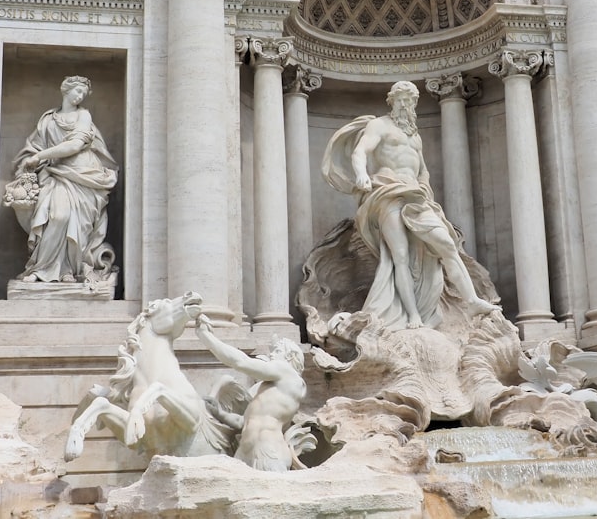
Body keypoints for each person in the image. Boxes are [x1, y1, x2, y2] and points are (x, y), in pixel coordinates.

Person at [322, 81, 498, 330]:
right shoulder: (379, 125)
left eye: (410, 100)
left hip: (416, 196)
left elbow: (422, 169)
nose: (405, 105)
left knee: (446, 244)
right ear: (391, 101)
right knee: (400, 256)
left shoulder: (413, 135)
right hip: (388, 192)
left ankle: (471, 299)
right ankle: (412, 315)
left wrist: (426, 191)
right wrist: (361, 174)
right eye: (401, 100)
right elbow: (360, 151)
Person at [8, 76, 119, 283]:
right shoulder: (48, 120)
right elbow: (34, 147)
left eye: (84, 94)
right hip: (55, 174)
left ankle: (69, 270)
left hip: (84, 176)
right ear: (65, 91)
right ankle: (40, 269)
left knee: (76, 223)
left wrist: (40, 157)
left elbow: (74, 146)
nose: (80, 96)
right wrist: (30, 161)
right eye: (77, 91)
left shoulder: (83, 115)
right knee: (58, 216)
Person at [194, 316, 307, 472]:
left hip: (268, 452)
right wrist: (220, 413)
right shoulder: (267, 389)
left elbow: (241, 362)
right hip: (245, 452)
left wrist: (206, 337)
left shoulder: (289, 374)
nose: (272, 356)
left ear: (289, 357)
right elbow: (244, 422)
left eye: (277, 351)